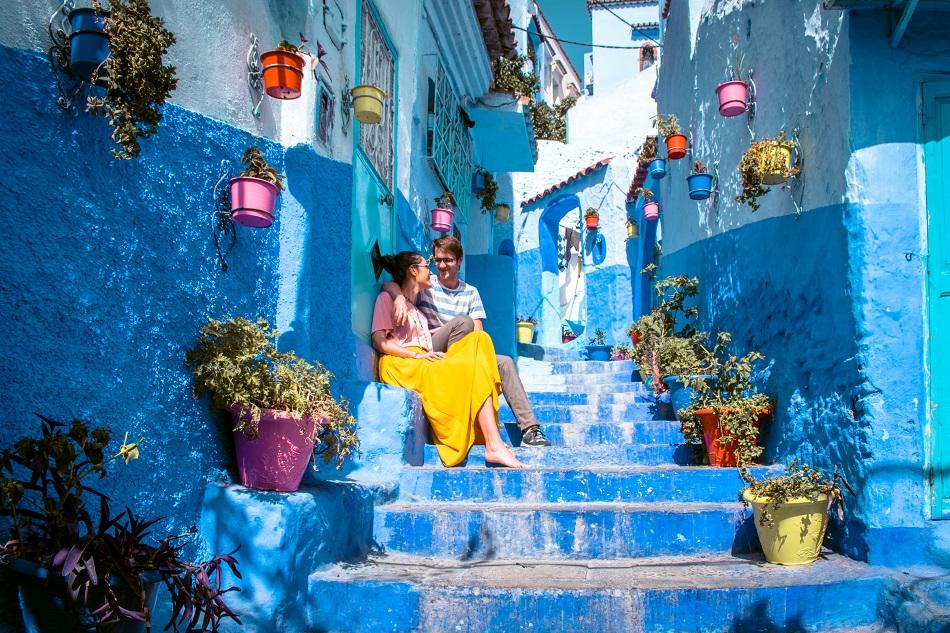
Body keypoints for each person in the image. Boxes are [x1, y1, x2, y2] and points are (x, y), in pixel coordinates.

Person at [387, 236, 551, 447]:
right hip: (432, 347)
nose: (441, 266)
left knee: (505, 363)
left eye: (448, 260)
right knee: (464, 323)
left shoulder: (471, 293)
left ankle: (530, 429)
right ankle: (459, 374)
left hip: (461, 350)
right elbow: (391, 284)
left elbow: (478, 335)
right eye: (437, 260)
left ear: (459, 260)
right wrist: (399, 297)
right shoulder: (427, 284)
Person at [371, 250, 526, 469]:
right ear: (413, 271)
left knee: (479, 340)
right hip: (402, 363)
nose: (432, 270)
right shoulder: (388, 299)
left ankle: (493, 443)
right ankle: (494, 443)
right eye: (427, 266)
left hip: (423, 361)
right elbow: (381, 342)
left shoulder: (416, 308)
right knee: (472, 357)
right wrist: (417, 354)